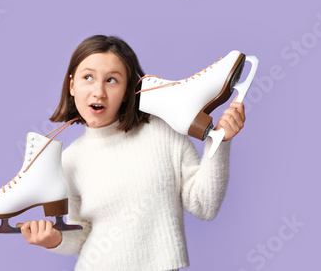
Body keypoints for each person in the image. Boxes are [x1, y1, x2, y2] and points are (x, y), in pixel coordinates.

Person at [17, 35, 245, 270]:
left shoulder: (163, 131)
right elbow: (81, 232)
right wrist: (53, 239)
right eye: (88, 77)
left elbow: (204, 206)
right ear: (72, 85)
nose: (99, 92)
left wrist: (219, 141)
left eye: (112, 80)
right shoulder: (69, 160)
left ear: (127, 91)